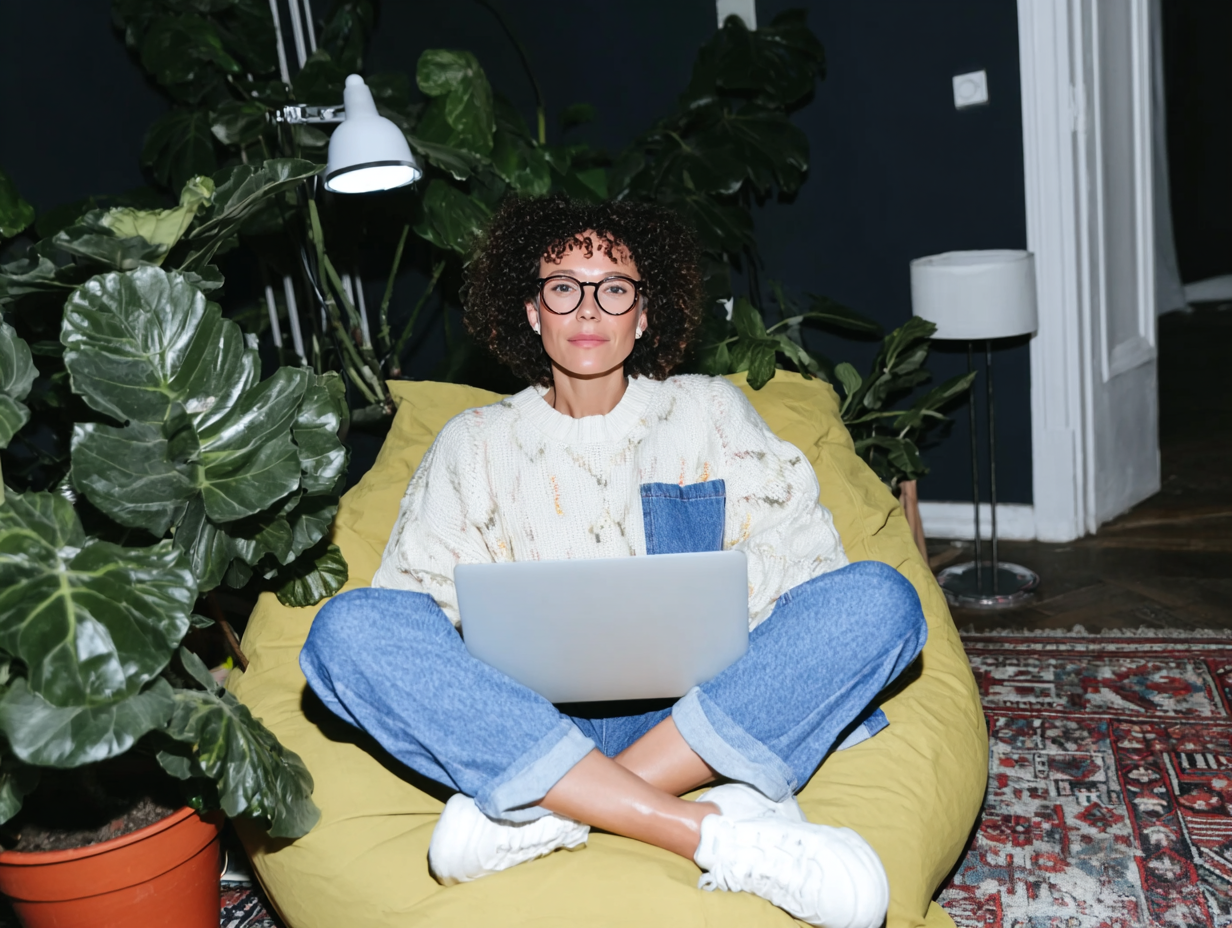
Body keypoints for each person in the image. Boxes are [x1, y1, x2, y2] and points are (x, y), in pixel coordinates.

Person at [300, 196, 927, 928]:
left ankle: (548, 811)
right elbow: (417, 611)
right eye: (564, 287)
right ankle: (707, 829)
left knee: (884, 599)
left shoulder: (710, 412)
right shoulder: (472, 442)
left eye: (614, 288)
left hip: (699, 715)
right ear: (533, 311)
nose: (588, 309)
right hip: (527, 722)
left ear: (645, 312)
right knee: (346, 631)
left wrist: (712, 602)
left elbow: (807, 556)